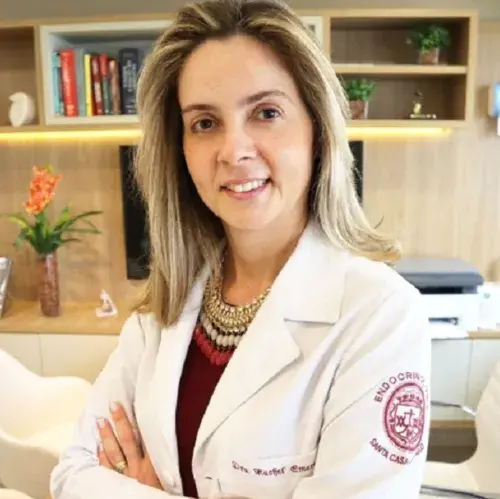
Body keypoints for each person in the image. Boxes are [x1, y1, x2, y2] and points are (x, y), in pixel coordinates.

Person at [50, 0, 431, 498]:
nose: (233, 151)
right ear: (182, 150)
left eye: (266, 113)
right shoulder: (166, 305)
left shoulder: (380, 317)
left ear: (317, 130)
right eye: (205, 123)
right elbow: (72, 474)